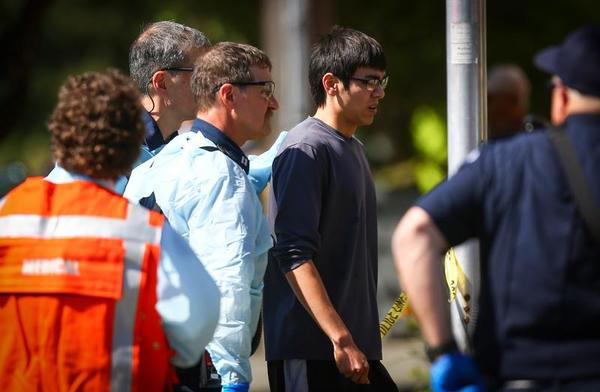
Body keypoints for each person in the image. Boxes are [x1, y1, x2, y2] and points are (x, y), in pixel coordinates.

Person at [393, 26, 600, 391]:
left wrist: (444, 352)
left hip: (522, 373)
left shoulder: (508, 161)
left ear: (562, 97)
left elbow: (414, 235)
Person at [0, 69, 220, 391]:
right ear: (132, 148)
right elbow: (197, 325)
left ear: (58, 135)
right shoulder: (146, 233)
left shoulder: (7, 214)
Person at [125, 42, 278, 392]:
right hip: (197, 368)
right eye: (265, 90)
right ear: (229, 96)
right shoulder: (221, 176)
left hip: (146, 357)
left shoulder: (157, 162)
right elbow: (228, 285)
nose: (274, 103)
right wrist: (232, 378)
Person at [264, 26, 398, 391]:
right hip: (314, 352)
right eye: (369, 82)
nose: (379, 93)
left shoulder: (354, 148)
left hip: (354, 352)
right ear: (332, 83)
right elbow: (292, 254)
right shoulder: (306, 149)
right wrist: (340, 339)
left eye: (382, 81)